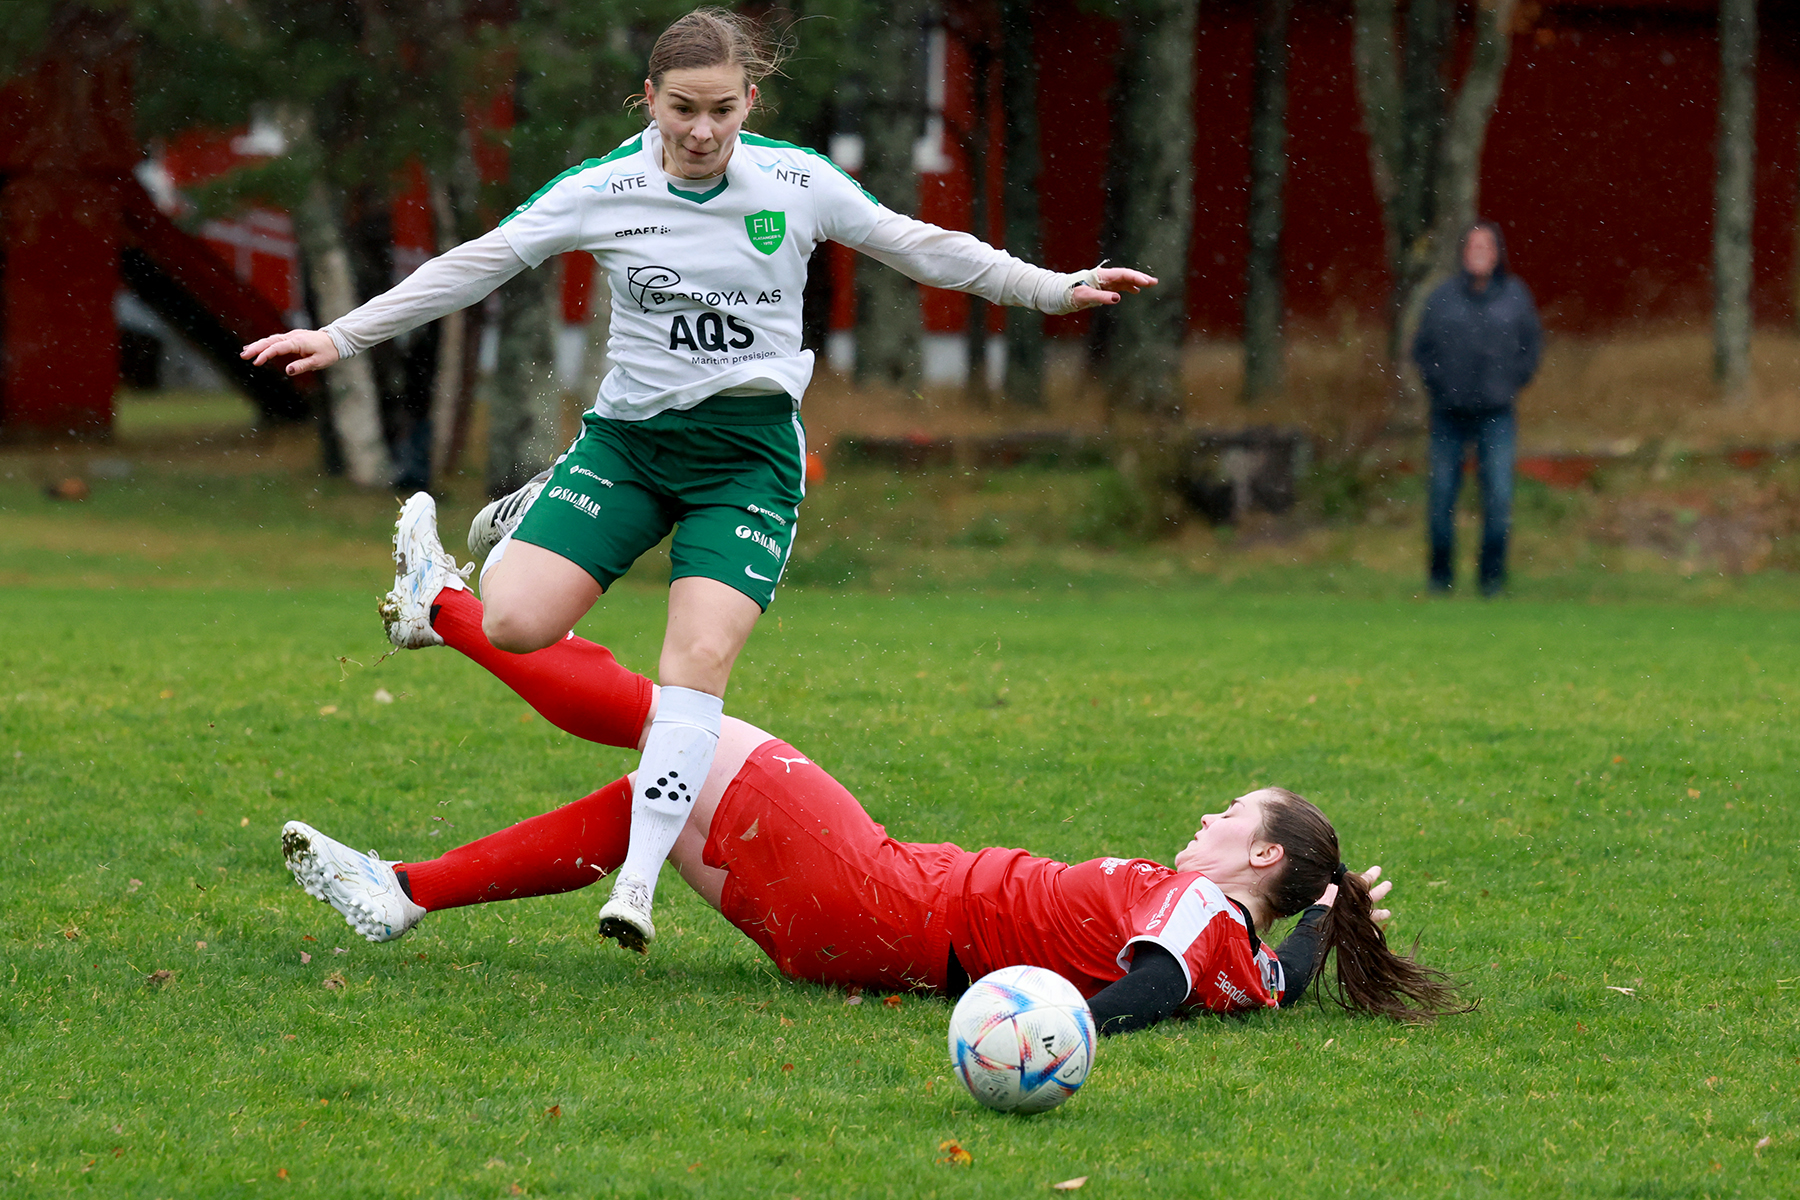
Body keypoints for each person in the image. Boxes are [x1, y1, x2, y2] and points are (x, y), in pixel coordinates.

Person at [243, 7, 1155, 952]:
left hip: (749, 463)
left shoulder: (797, 183)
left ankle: (635, 886)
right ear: (650, 99)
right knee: (516, 621)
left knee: (695, 671)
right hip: (630, 448)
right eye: (683, 109)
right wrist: (341, 335)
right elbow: (475, 265)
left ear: (750, 103)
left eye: (722, 110)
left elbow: (922, 245)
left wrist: (1051, 286)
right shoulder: (602, 188)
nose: (702, 131)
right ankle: (525, 519)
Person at [280, 506, 1470, 1033]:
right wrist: (1326, 913)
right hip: (867, 933)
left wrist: (1070, 1026)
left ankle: (441, 608)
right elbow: (1287, 978)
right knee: (658, 791)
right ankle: (404, 889)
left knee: (682, 724)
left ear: (1254, 857)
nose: (1205, 818)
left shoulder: (1203, 919)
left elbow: (1153, 985)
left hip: (883, 898)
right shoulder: (1251, 962)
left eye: (1232, 816)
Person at [1412, 221, 1543, 597]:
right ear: (1462, 252)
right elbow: (1422, 350)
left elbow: (1531, 347)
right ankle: (1440, 579)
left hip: (1497, 414)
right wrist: (1438, 385)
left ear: (1498, 252)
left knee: (1499, 500)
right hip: (1448, 414)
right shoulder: (1441, 298)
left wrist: (1512, 381)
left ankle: (1492, 580)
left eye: (1487, 245)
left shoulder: (1515, 297)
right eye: (1472, 245)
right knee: (1441, 501)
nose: (1479, 252)